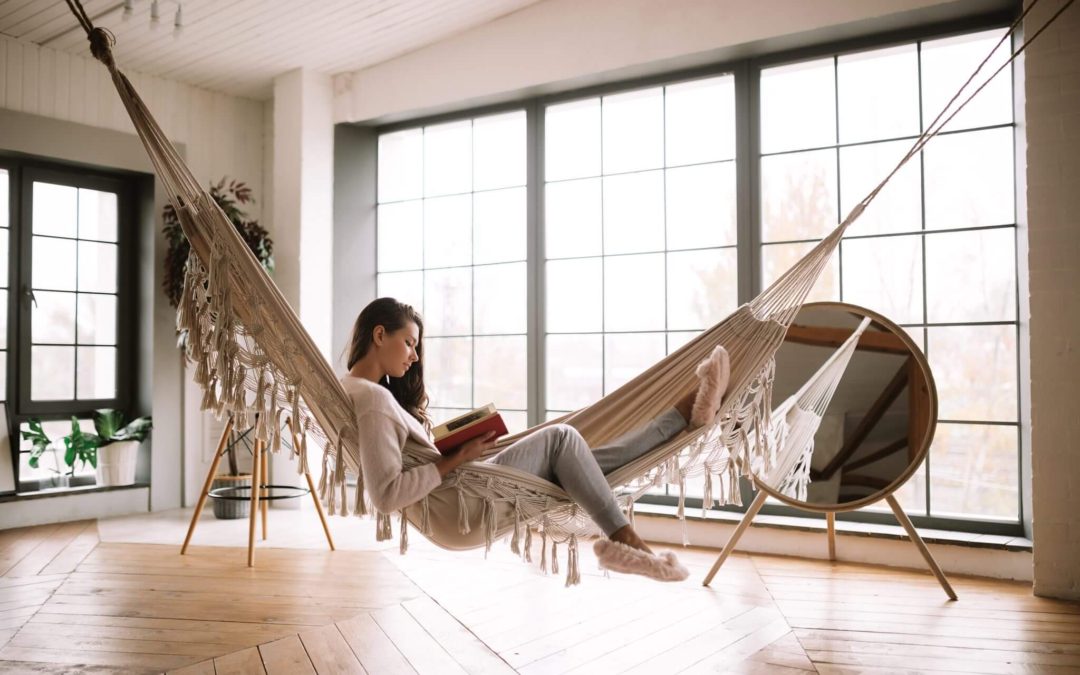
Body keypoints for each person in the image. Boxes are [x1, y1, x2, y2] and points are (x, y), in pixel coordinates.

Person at [340, 297, 730, 582]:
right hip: (463, 500)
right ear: (380, 335)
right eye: (409, 343)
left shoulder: (359, 391)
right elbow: (386, 494)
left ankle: (683, 418)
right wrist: (455, 459)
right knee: (561, 438)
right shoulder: (373, 400)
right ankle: (623, 537)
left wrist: (458, 449)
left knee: (581, 462)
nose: (414, 357)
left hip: (462, 493)